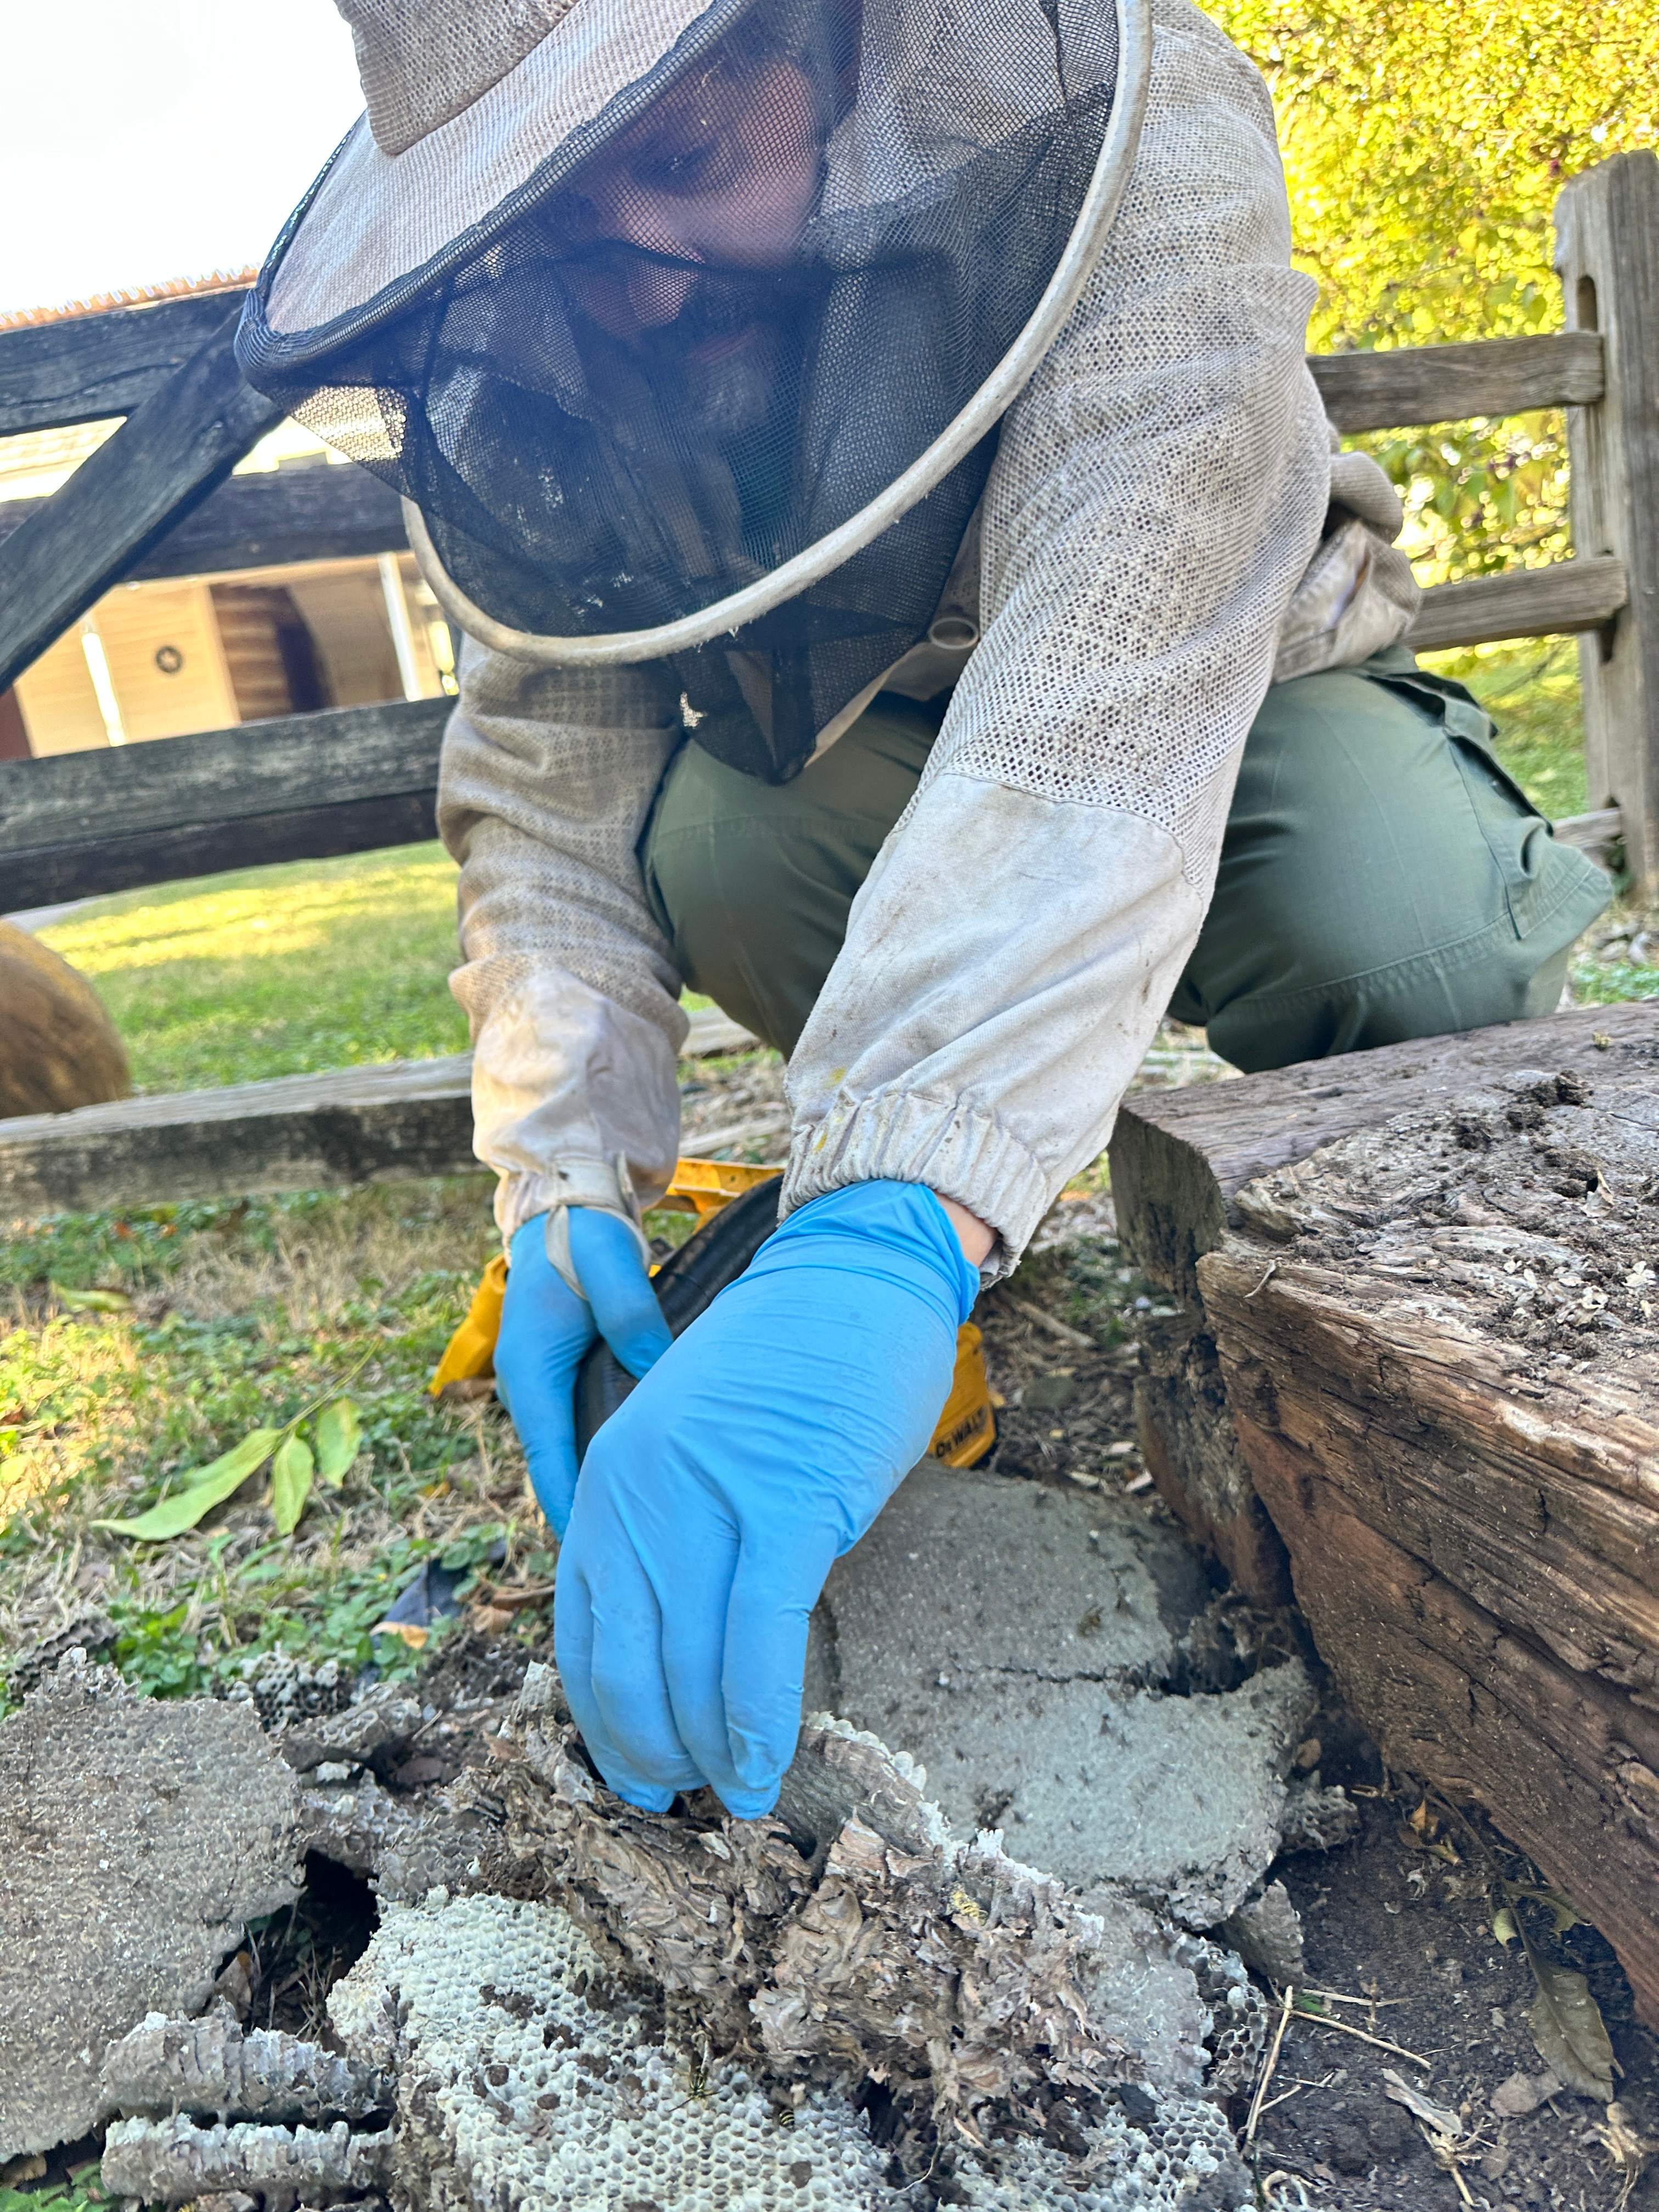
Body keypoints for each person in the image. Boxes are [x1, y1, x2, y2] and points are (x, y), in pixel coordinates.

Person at [239, 0, 1609, 1822]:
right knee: (706, 834)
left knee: (1411, 921)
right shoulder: (580, 337)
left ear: (834, 42)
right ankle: (939, 1202)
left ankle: (970, 1214)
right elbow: (551, 760)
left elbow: (1121, 632)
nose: (631, 288)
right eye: (567, 216)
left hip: (1226, 664)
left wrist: (893, 1204)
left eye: (683, 159)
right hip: (845, 760)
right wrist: (560, 1168)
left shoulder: (1132, 115)